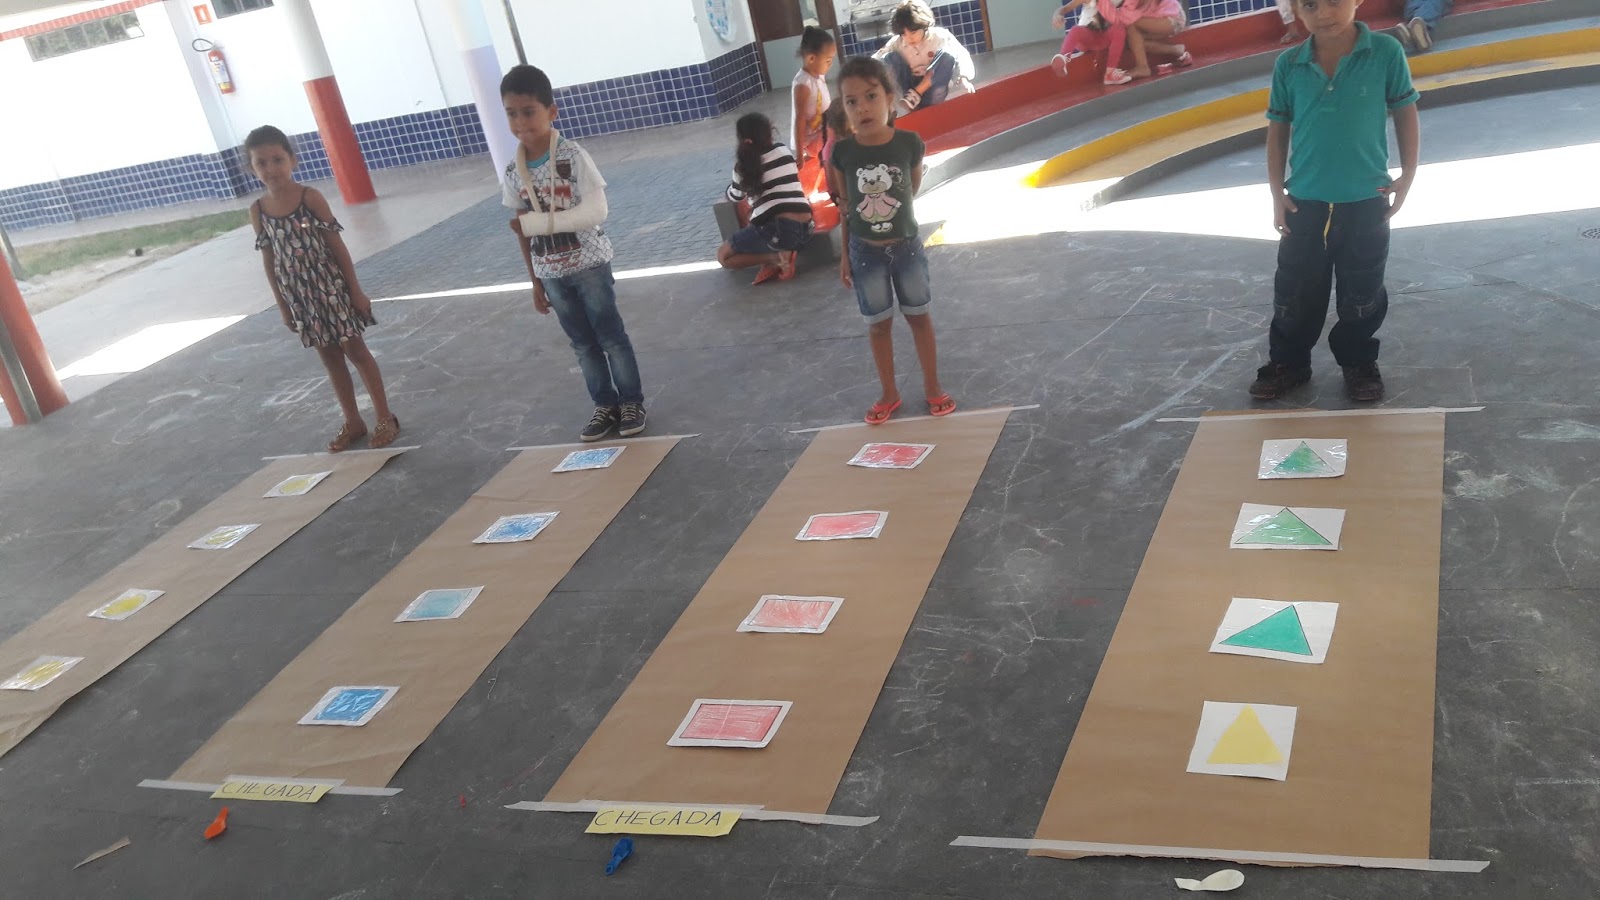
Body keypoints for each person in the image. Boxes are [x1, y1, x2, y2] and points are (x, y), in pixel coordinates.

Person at [1249, 0, 1420, 403]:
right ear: (1296, 9)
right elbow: (1278, 128)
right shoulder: (1289, 64)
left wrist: (1408, 174)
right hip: (1304, 203)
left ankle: (1358, 361)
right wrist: (1276, 192)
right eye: (1310, 4)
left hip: (1367, 200)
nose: (1324, 13)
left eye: (1334, 1)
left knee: (1363, 290)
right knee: (1294, 290)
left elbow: (1405, 110)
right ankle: (1289, 362)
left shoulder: (1385, 52)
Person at [500, 64, 647, 441]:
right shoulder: (513, 171)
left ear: (551, 111)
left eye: (528, 111)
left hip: (589, 265)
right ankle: (604, 405)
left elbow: (597, 211)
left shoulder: (573, 155)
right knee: (582, 344)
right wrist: (534, 281)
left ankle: (631, 401)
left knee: (610, 337)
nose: (520, 122)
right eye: (511, 114)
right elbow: (523, 230)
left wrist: (537, 225)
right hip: (550, 272)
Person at [245, 126, 399, 453]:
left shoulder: (310, 198)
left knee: (355, 350)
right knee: (330, 358)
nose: (271, 169)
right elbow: (270, 260)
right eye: (261, 163)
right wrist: (283, 306)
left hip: (332, 289)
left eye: (277, 159)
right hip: (300, 297)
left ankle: (385, 417)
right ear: (251, 168)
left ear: (293, 160)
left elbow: (336, 246)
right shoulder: (258, 210)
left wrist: (355, 291)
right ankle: (353, 421)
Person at [829, 56, 953, 425]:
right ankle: (889, 393)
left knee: (919, 317)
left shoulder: (910, 143)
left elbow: (910, 189)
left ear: (889, 98)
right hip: (865, 254)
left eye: (871, 96)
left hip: (907, 249)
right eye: (852, 101)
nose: (862, 108)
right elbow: (846, 207)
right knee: (878, 324)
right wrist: (845, 255)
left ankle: (933, 387)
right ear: (844, 108)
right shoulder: (842, 153)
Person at [719, 113, 814, 284]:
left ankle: (776, 258)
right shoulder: (783, 151)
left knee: (723, 257)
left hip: (777, 230)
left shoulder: (742, 168)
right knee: (757, 214)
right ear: (769, 132)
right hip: (806, 228)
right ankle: (783, 250)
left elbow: (734, 196)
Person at [873, 1, 976, 115]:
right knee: (888, 58)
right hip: (907, 92)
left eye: (913, 32)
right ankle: (910, 101)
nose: (909, 38)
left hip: (933, 88)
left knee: (948, 55)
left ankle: (917, 92)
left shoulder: (940, 36)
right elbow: (875, 60)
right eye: (903, 34)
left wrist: (963, 78)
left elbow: (961, 54)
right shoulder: (897, 43)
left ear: (924, 26)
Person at [1050, 0, 1134, 85]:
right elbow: (1065, 8)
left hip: (1103, 38)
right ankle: (1063, 57)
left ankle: (1110, 73)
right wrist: (1057, 15)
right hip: (1086, 37)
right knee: (1075, 30)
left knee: (1119, 29)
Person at [792, 26, 837, 166]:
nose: (831, 64)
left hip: (824, 131)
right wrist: (799, 155)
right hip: (813, 141)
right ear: (811, 58)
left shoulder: (818, 76)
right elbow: (799, 119)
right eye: (828, 61)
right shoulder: (803, 84)